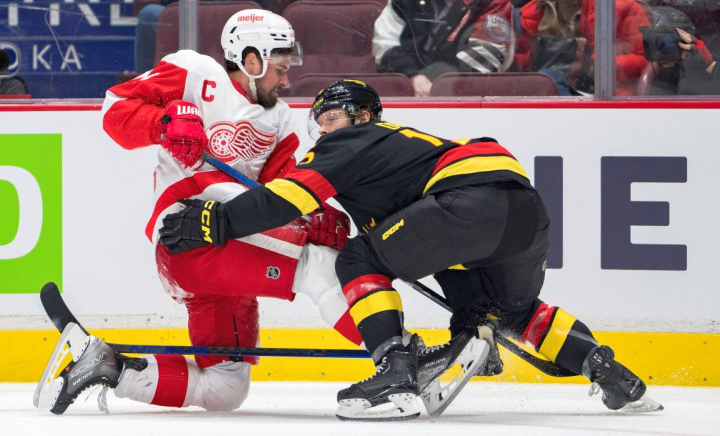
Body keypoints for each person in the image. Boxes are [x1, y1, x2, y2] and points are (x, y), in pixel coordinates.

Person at [155, 79, 665, 420]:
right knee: (508, 311)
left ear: (360, 116)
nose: (322, 133)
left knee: (359, 258)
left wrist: (215, 221)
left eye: (328, 120)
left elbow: (288, 197)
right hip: (521, 211)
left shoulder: (351, 142)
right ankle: (609, 372)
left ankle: (394, 373)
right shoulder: (395, 150)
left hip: (465, 201)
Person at [35, 9, 365, 416]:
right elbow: (113, 109)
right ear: (251, 60)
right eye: (279, 69)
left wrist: (312, 215)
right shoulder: (194, 72)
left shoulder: (280, 120)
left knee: (226, 388)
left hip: (233, 253)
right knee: (316, 264)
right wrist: (164, 123)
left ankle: (107, 367)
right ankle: (398, 357)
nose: (286, 80)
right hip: (190, 234)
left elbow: (281, 196)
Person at [372, 0, 514, 97]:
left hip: (467, 101)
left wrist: (435, 85)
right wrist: (412, 76)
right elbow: (384, 44)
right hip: (407, 92)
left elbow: (484, 59)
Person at [514, 0, 651, 95]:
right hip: (547, 88)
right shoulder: (539, 9)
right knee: (547, 78)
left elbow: (646, 59)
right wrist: (512, 61)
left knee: (549, 78)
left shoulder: (619, 4)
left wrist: (595, 65)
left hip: (602, 93)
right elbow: (525, 60)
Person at [134, 0, 303, 73]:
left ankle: (267, 88)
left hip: (247, 7)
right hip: (186, 5)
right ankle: (145, 91)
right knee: (150, 14)